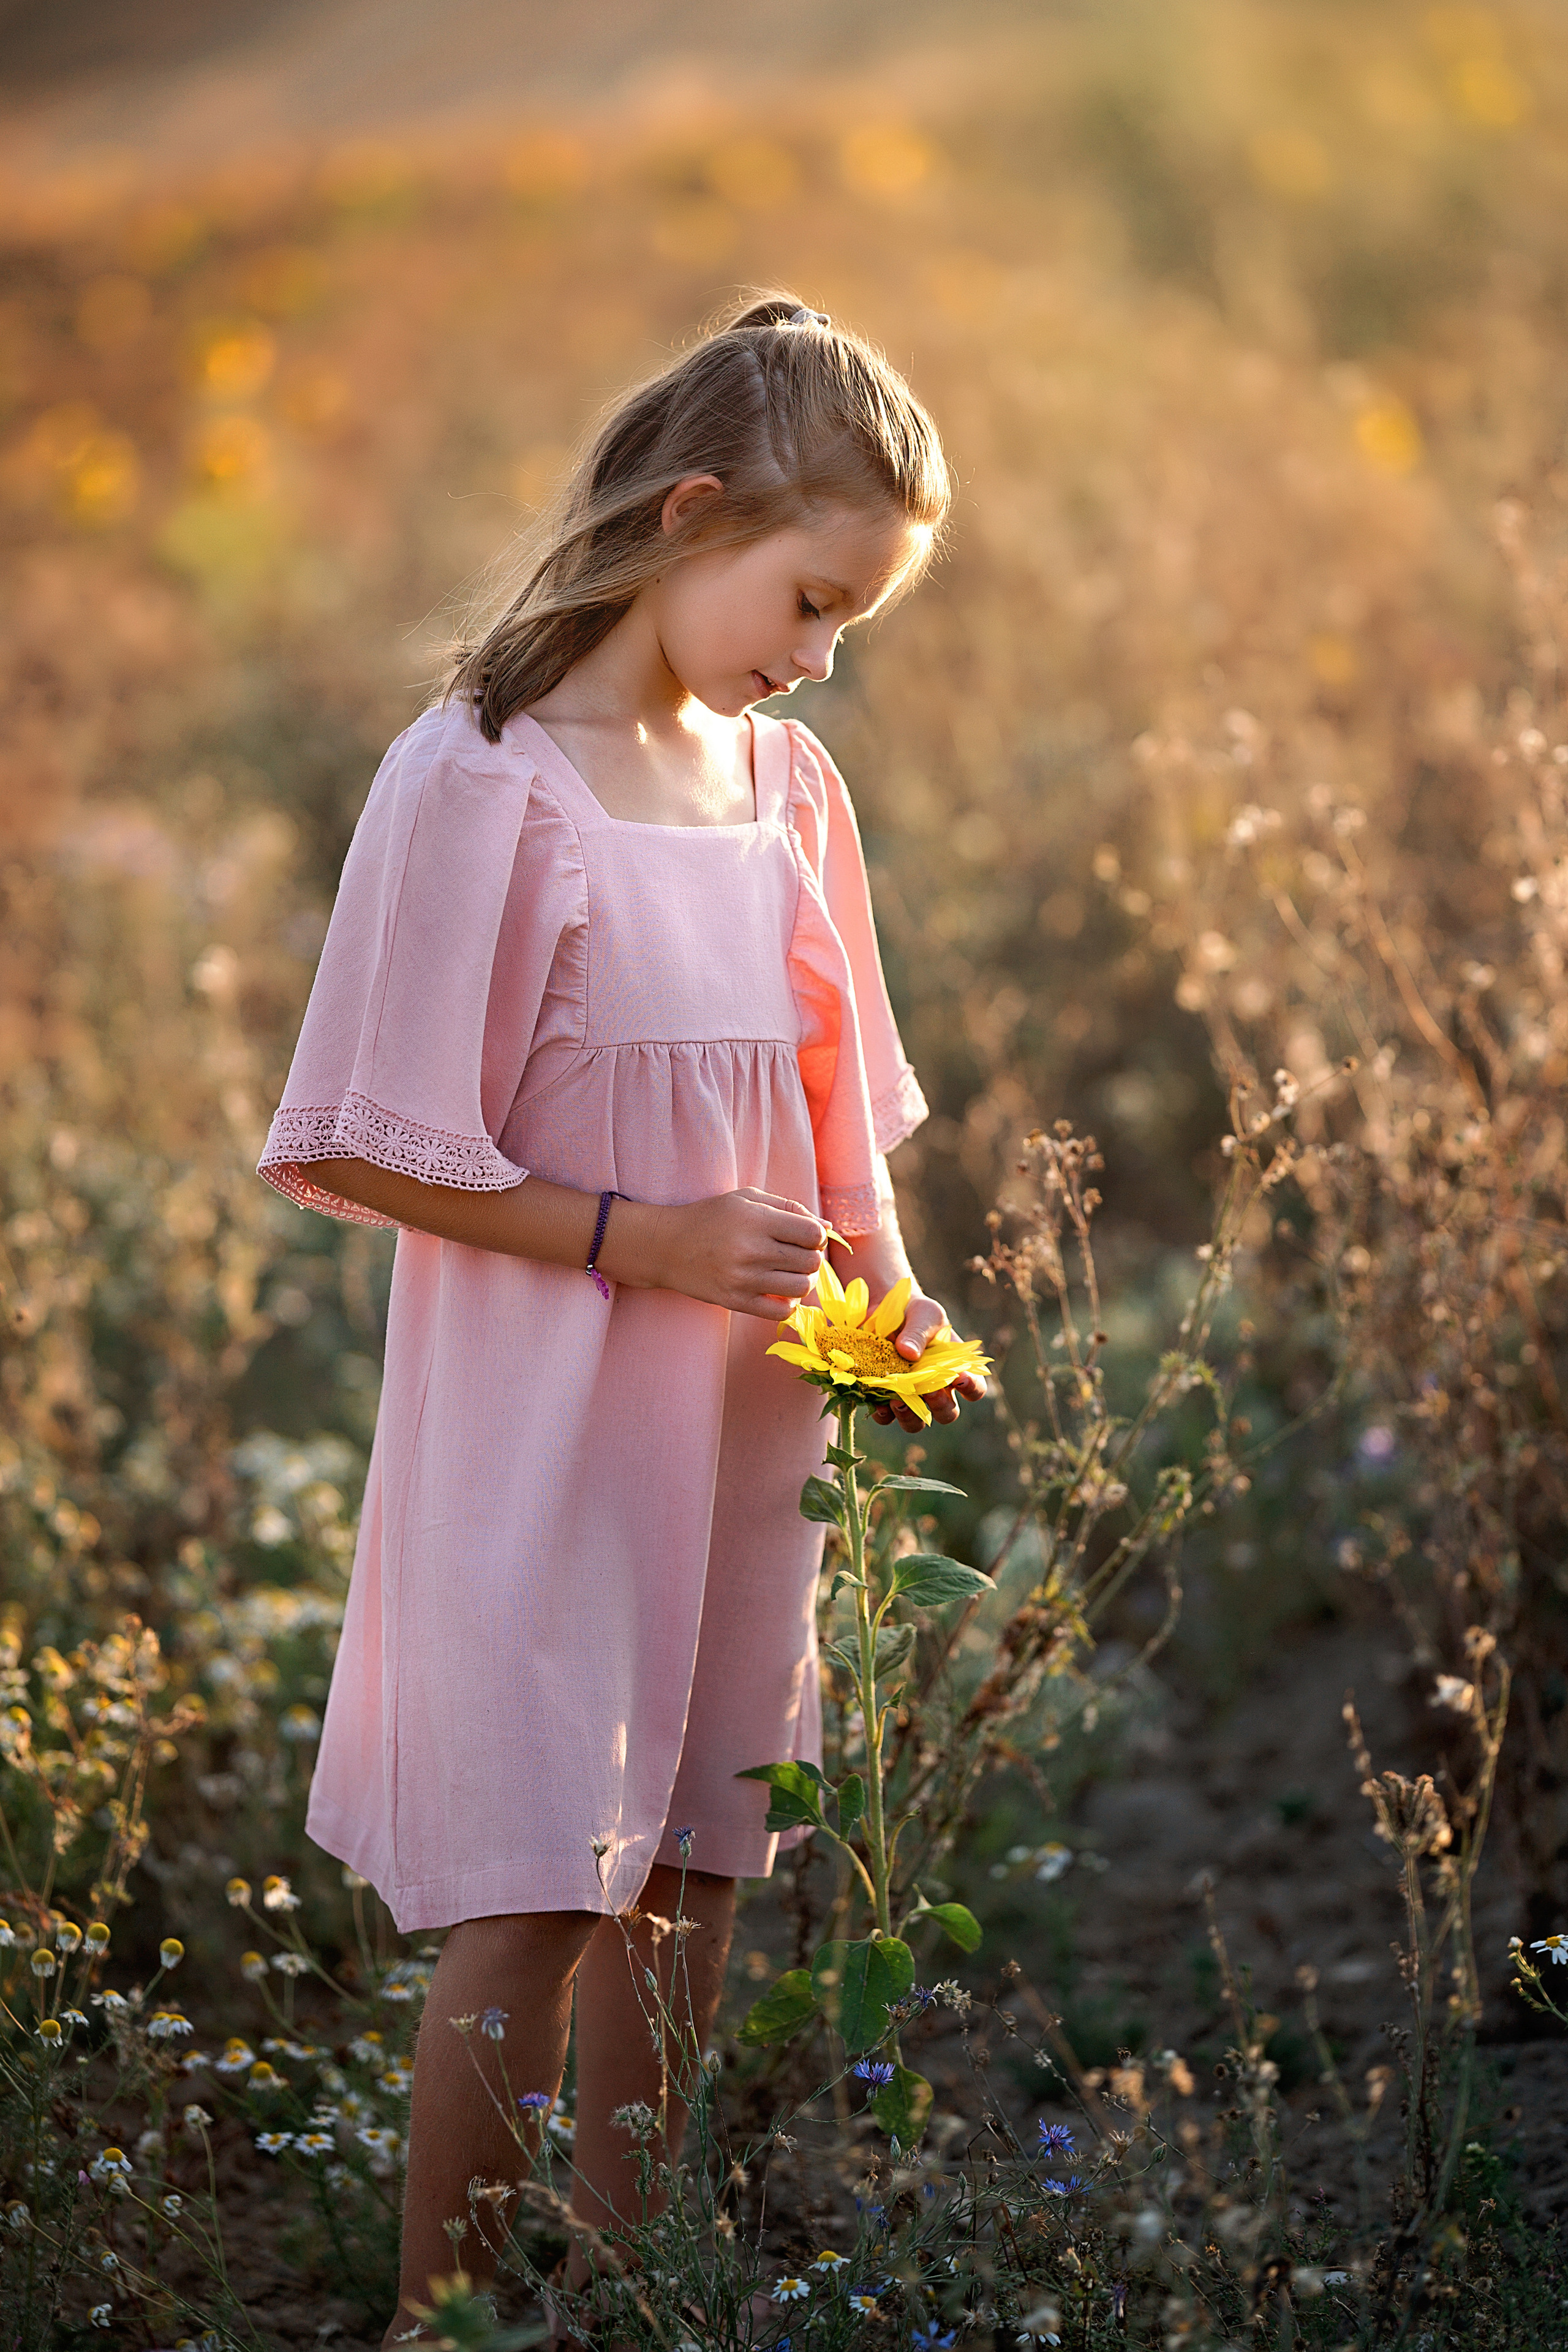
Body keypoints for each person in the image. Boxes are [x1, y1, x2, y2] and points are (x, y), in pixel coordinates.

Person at [257, 290, 984, 2347]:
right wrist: (633, 1239)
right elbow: (358, 1137)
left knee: (697, 1871)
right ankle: (447, 2321)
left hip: (752, 1416)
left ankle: (623, 2290)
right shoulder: (478, 781)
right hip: (549, 1406)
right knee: (538, 1884)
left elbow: (845, 1119)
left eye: (854, 624)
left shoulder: (786, 786)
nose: (820, 654)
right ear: (690, 516)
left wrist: (894, 1298)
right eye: (812, 598)